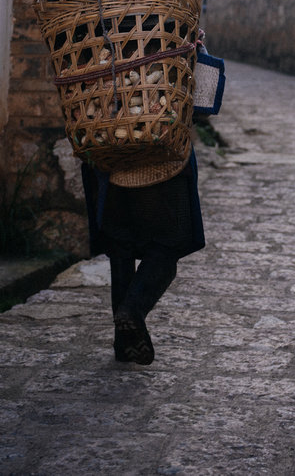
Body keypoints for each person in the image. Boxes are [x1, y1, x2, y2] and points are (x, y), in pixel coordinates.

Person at [80, 139, 205, 365]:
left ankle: (124, 343)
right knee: (169, 243)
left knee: (120, 248)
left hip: (106, 157)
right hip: (162, 156)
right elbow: (204, 106)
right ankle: (132, 309)